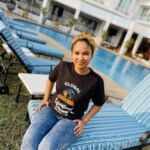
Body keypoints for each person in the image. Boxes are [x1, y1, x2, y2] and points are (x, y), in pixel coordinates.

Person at [20, 32, 105, 150]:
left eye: (86, 54)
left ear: (92, 55)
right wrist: (45, 99)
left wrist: (84, 121)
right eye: (77, 53)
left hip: (70, 120)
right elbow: (50, 80)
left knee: (47, 146)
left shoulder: (96, 81)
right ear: (72, 53)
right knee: (29, 138)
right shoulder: (62, 67)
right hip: (50, 110)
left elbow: (99, 104)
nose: (80, 58)